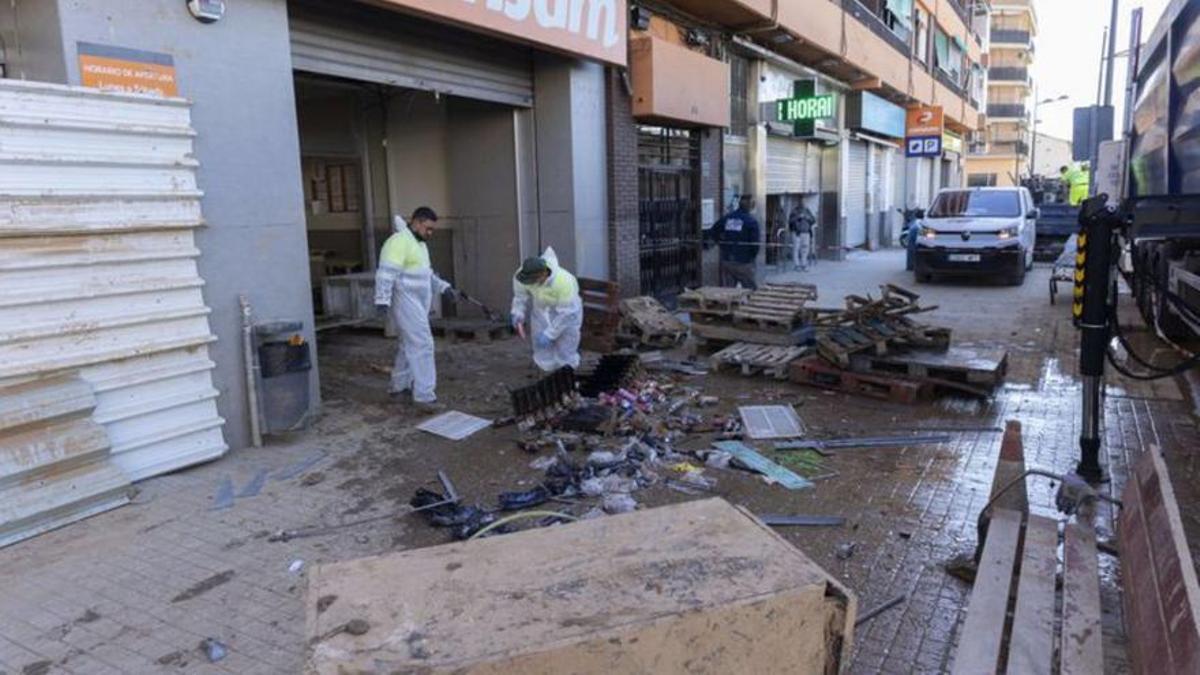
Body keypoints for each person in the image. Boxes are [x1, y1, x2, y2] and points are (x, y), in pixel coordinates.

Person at [374, 207, 457, 412]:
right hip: (405, 300)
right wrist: (382, 300)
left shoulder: (419, 245)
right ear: (418, 222)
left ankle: (398, 387)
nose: (430, 233)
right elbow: (386, 273)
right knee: (423, 344)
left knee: (408, 345)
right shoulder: (398, 242)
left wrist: (444, 287)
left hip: (417, 303)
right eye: (428, 228)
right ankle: (424, 396)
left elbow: (425, 275)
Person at [510, 248, 583, 372]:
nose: (530, 284)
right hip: (541, 312)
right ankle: (546, 375)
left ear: (543, 274)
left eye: (533, 280)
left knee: (566, 349)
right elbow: (520, 296)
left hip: (567, 313)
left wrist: (550, 334)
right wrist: (517, 313)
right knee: (542, 351)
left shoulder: (563, 281)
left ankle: (567, 377)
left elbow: (567, 314)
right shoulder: (522, 275)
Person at [707, 194, 760, 289]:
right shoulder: (751, 222)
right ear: (751, 206)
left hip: (727, 260)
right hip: (744, 262)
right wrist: (752, 258)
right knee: (750, 291)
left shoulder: (727, 218)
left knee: (729, 291)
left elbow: (713, 232)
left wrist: (722, 245)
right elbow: (755, 244)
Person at [788, 201, 817, 272]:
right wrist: (798, 217)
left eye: (804, 203)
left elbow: (813, 220)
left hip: (806, 232)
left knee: (805, 249)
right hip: (797, 233)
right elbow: (790, 221)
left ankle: (804, 264)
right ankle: (796, 265)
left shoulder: (807, 211)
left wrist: (807, 217)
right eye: (802, 203)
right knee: (796, 248)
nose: (803, 204)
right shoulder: (794, 211)